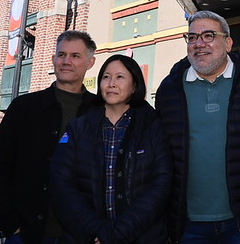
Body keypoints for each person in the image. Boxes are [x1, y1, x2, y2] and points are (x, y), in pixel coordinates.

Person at [155, 11, 240, 244]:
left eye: (208, 35)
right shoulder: (170, 89)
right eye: (192, 38)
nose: (199, 44)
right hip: (187, 223)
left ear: (228, 43)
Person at [0, 30, 98, 244]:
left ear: (90, 62)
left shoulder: (99, 111)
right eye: (61, 54)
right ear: (53, 59)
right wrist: (10, 223)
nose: (66, 61)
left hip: (82, 232)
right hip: (28, 232)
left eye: (75, 56)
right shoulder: (24, 108)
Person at [49, 54, 172, 243]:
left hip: (141, 236)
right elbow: (61, 185)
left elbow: (161, 185)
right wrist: (97, 232)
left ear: (135, 86)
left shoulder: (152, 125)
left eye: (120, 77)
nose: (111, 83)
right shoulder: (79, 128)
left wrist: (119, 233)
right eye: (106, 77)